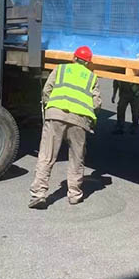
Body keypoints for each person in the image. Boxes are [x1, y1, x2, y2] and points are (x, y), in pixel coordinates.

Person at [29, 45, 102, 209]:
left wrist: (51, 106)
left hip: (56, 115)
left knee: (47, 155)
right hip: (79, 119)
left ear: (74, 58)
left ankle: (39, 194)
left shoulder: (60, 69)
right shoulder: (92, 77)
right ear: (88, 63)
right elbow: (97, 103)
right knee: (77, 158)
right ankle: (74, 194)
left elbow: (46, 90)